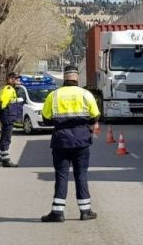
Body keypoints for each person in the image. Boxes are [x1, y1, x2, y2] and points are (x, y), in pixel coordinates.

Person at [40, 65, 100, 223]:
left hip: (61, 141)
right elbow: (95, 116)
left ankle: (57, 213)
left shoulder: (54, 95)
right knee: (81, 174)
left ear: (64, 78)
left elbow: (45, 118)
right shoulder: (85, 94)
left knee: (61, 175)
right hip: (82, 140)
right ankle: (85, 211)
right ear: (77, 78)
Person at [0, 72, 22, 167]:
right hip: (8, 116)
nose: (17, 80)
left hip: (7, 116)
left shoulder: (10, 89)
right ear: (10, 79)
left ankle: (0, 157)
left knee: (3, 137)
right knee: (7, 138)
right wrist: (4, 113)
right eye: (15, 79)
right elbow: (3, 103)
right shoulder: (9, 89)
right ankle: (5, 160)